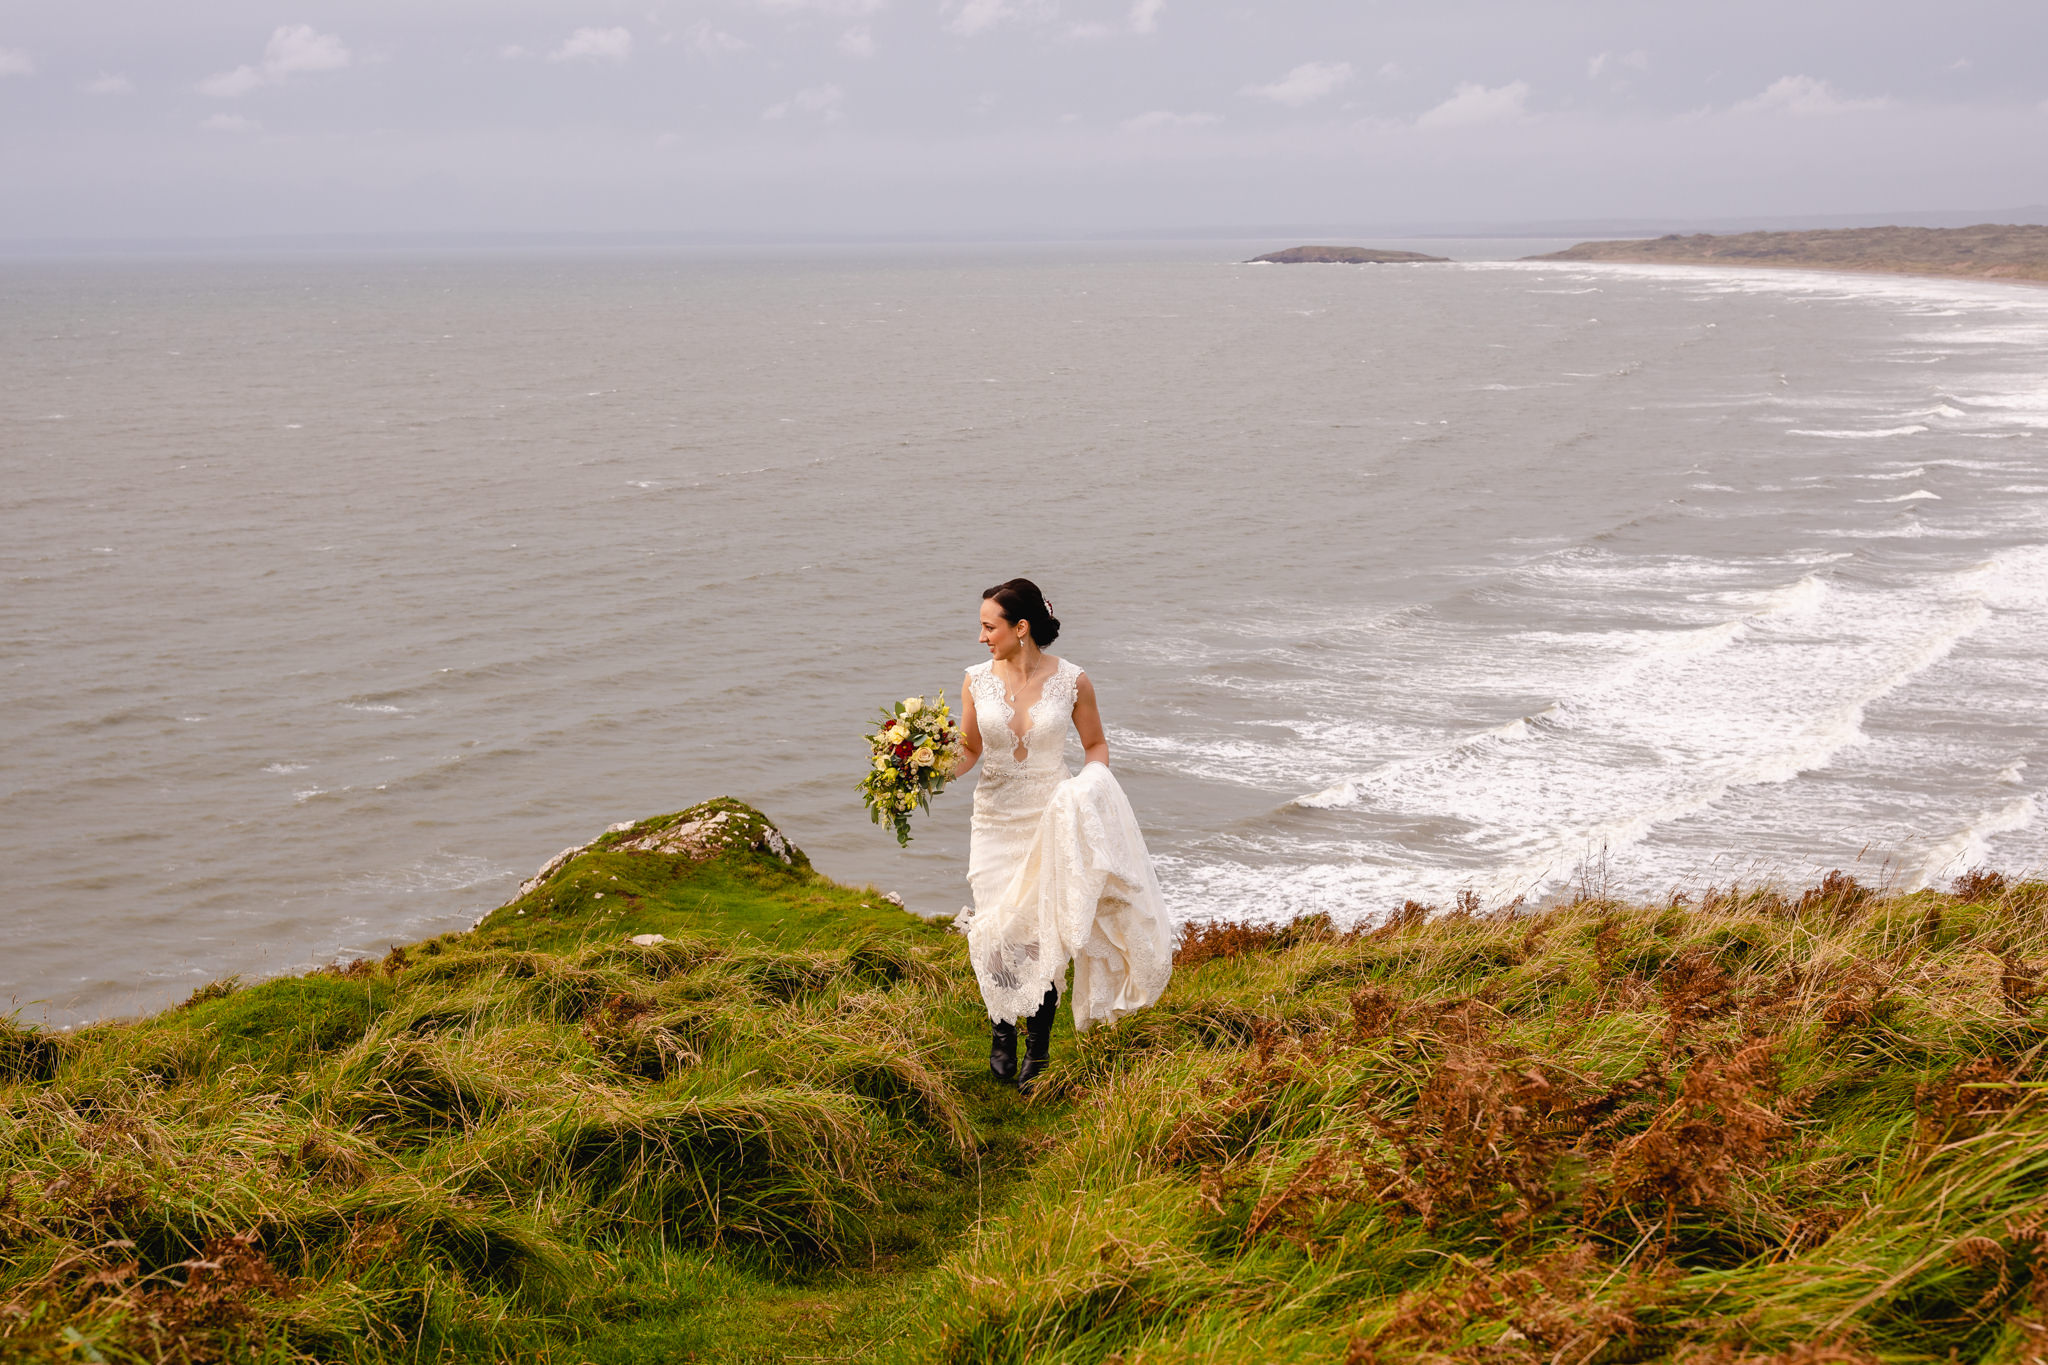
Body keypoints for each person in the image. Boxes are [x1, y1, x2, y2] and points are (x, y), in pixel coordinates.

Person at [952, 578, 1172, 1092]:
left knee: (1042, 931)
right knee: (996, 926)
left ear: (1020, 628)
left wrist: (1088, 789)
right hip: (995, 822)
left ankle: (1038, 1047)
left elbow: (1096, 747)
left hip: (1050, 817)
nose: (981, 637)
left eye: (989, 626)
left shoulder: (1074, 681)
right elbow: (967, 751)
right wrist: (924, 769)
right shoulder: (975, 681)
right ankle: (1001, 1031)